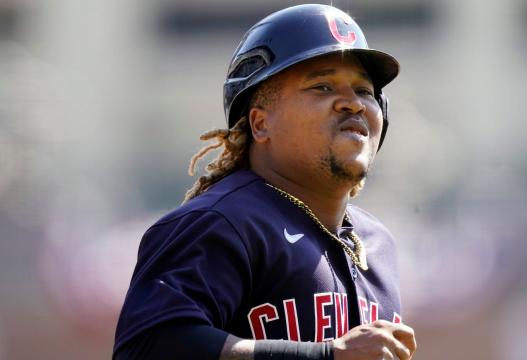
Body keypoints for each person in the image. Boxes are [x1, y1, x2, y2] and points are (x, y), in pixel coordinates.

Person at [113, 4, 416, 359]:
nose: (353, 104)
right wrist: (326, 356)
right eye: (322, 86)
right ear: (260, 123)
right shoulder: (220, 222)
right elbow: (149, 346)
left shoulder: (377, 242)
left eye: (365, 91)